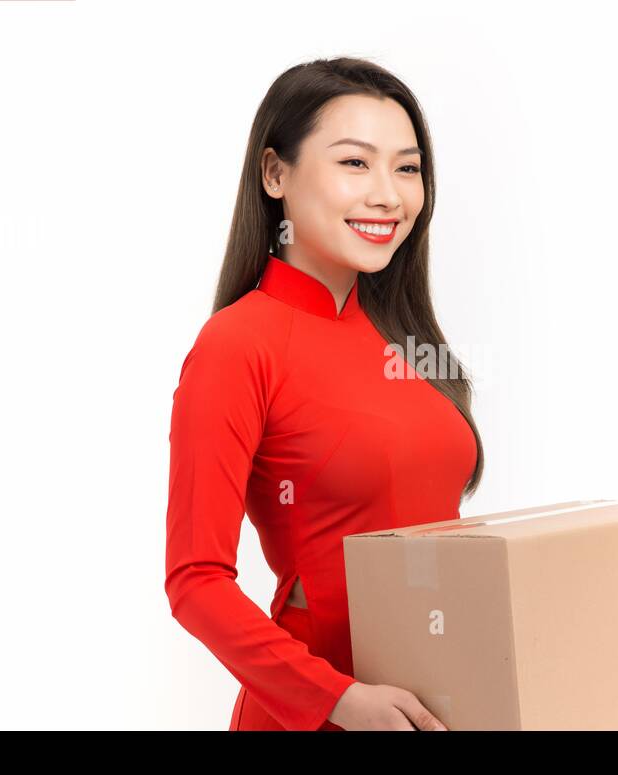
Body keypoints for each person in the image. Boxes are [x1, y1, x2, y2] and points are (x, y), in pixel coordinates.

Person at [164, 57, 483, 730]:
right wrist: (339, 699)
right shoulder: (236, 345)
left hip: (436, 704)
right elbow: (196, 581)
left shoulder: (407, 336)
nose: (389, 196)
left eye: (407, 167)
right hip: (317, 710)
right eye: (354, 164)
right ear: (275, 174)